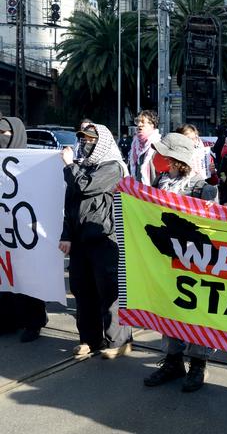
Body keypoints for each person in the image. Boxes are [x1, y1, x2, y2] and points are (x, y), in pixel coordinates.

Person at [143, 132, 218, 392]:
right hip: (166, 259)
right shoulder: (160, 181)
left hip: (194, 263)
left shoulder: (202, 188)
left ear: (176, 159)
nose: (159, 157)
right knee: (169, 308)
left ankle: (198, 363)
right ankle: (173, 361)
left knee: (196, 312)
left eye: (164, 153)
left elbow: (211, 229)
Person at [59, 123, 133, 359]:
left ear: (101, 142)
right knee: (82, 289)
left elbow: (85, 187)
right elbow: (70, 203)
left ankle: (119, 340)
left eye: (91, 139)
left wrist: (70, 165)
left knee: (109, 290)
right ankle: (89, 339)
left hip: (104, 237)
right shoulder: (82, 167)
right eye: (83, 138)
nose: (86, 142)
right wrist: (66, 235)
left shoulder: (113, 167)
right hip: (81, 240)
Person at [0, 116, 48, 343]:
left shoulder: (34, 163)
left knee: (28, 279)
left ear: (16, 134)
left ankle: (34, 322)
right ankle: (8, 320)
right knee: (5, 277)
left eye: (5, 134)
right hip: (4, 231)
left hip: (27, 233)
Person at [128, 110, 161, 185]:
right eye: (137, 121)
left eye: (143, 122)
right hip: (137, 190)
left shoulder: (158, 145)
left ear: (152, 125)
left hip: (152, 191)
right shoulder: (134, 145)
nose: (139, 125)